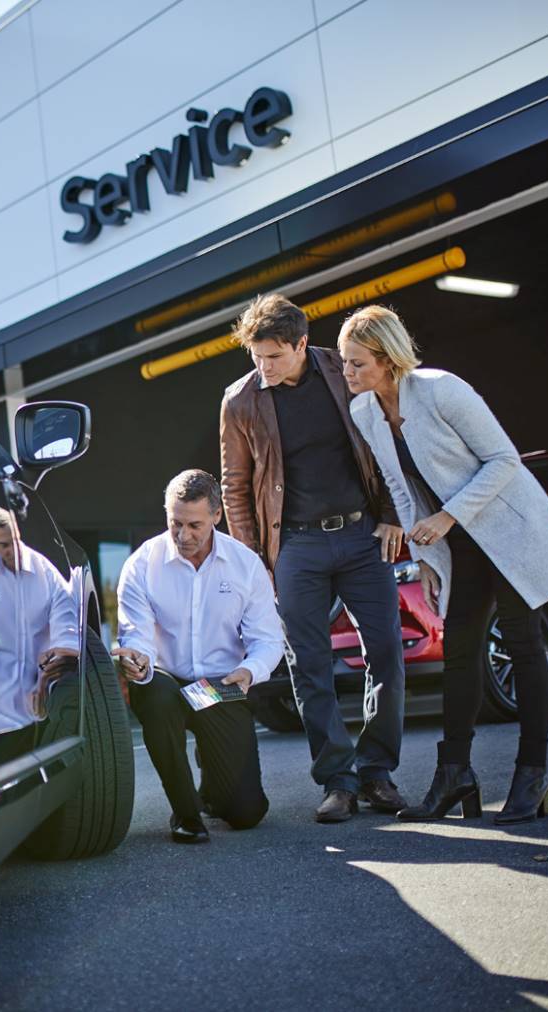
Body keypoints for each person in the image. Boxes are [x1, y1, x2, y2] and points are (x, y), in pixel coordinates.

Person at [339, 305, 548, 824]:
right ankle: (454, 774)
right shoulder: (365, 412)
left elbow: (504, 460)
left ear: (388, 360)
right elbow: (401, 490)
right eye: (345, 361)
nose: (347, 372)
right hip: (459, 544)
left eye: (357, 363)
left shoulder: (442, 390)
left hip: (508, 532)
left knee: (523, 644)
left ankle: (532, 774)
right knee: (459, 652)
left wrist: (448, 518)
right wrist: (425, 558)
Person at [220, 294, 407, 824]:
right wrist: (254, 561)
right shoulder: (240, 401)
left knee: (386, 653)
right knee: (309, 666)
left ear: (302, 344)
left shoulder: (341, 369)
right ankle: (338, 782)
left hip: (362, 536)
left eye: (274, 356)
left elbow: (386, 439)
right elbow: (234, 485)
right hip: (295, 547)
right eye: (256, 357)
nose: (264, 367)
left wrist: (393, 513)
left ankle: (377, 773)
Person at [113, 469, 283, 844]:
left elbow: (269, 640)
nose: (183, 535)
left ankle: (211, 782)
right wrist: (138, 660)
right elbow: (137, 635)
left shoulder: (245, 565)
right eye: (175, 523)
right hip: (167, 683)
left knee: (246, 813)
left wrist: (249, 671)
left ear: (217, 515)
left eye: (194, 525)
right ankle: (186, 813)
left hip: (218, 687)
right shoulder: (141, 565)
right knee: (157, 696)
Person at [0, 506, 79, 735]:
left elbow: (67, 631)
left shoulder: (46, 573)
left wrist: (45, 679)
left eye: (15, 540)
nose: (13, 550)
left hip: (48, 680)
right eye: (4, 545)